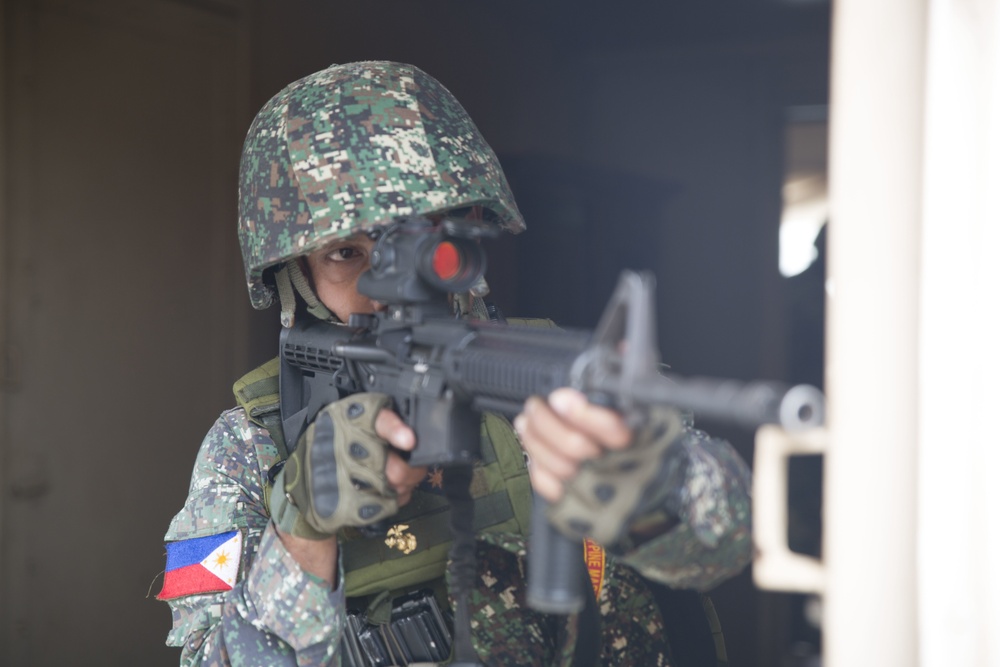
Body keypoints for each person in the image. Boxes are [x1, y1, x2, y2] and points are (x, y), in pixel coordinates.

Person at [157, 61, 752, 666]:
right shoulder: (247, 445)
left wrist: (650, 489)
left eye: (415, 244)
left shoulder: (549, 378)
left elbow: (726, 544)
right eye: (345, 252)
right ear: (296, 276)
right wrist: (305, 530)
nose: (383, 285)